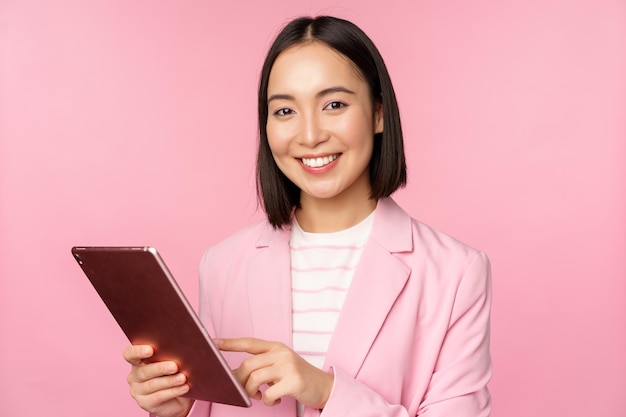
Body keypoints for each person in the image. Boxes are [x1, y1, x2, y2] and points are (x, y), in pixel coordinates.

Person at [123, 15, 492, 417]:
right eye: (284, 111)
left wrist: (326, 391)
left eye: (334, 104)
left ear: (379, 113)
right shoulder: (222, 265)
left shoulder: (456, 272)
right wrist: (178, 410)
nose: (311, 134)